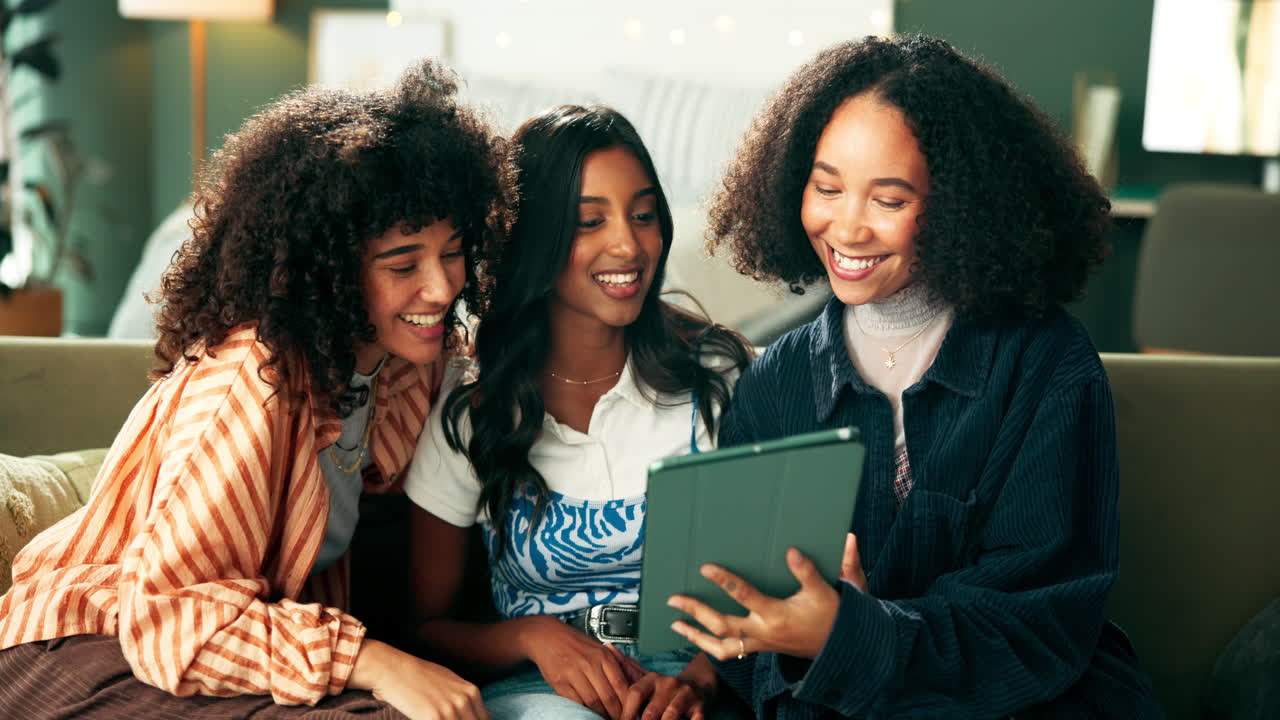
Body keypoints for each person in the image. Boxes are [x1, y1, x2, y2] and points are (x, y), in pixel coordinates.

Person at [667, 35, 1164, 718]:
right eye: (827, 187)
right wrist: (795, 641)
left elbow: (1043, 628)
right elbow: (743, 644)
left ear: (962, 207)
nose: (847, 228)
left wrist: (856, 635)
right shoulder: (772, 386)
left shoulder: (1048, 364)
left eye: (889, 200)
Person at [0, 60, 513, 720]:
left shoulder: (412, 364)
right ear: (328, 268)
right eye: (403, 263)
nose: (441, 288)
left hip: (231, 644)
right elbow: (169, 617)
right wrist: (378, 663)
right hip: (92, 644)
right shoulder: (254, 377)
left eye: (453, 252)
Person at [404, 105, 753, 720]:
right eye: (590, 221)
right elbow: (425, 626)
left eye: (643, 215)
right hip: (540, 693)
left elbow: (777, 578)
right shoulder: (472, 407)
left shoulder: (719, 376)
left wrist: (700, 681)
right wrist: (530, 636)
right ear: (535, 238)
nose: (628, 243)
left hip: (702, 686)